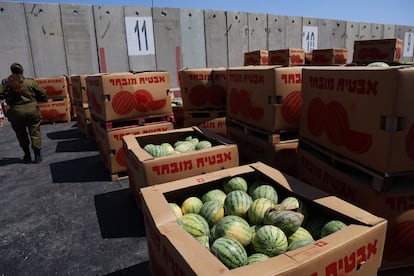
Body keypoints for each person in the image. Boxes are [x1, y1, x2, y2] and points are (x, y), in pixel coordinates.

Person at [0, 63, 47, 163]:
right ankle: (37, 156)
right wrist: (39, 100)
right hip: (32, 110)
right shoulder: (30, 82)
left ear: (12, 71)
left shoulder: (7, 83)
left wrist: (7, 96)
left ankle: (27, 155)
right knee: (35, 132)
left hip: (16, 112)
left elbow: (0, 94)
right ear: (22, 71)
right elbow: (42, 93)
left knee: (21, 134)